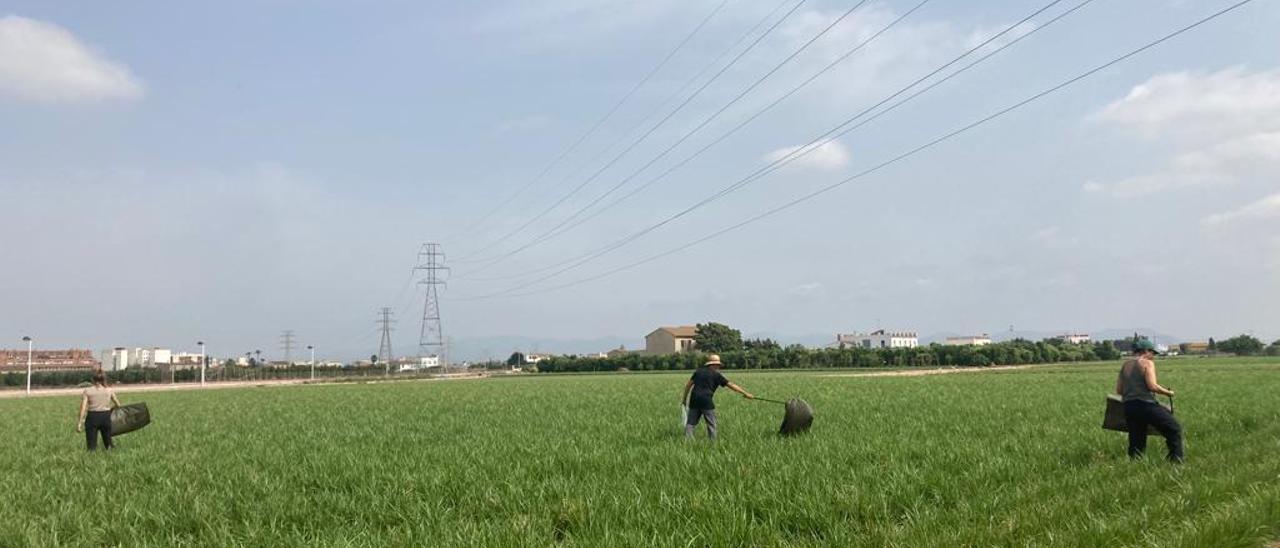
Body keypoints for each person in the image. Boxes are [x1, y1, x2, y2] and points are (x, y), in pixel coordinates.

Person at [1115, 339, 1182, 462]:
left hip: (1129, 407)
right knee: (1173, 429)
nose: (1153, 356)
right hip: (1146, 405)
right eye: (1153, 353)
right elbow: (1152, 386)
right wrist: (1169, 393)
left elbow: (1119, 390)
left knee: (1137, 438)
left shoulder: (1125, 365)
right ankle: (1176, 460)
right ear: (1146, 351)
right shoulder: (1147, 363)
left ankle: (1135, 464)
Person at [681, 354, 753, 440]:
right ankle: (712, 443)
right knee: (711, 423)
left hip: (694, 399)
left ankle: (688, 441)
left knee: (691, 423)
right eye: (718, 365)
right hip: (706, 400)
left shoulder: (698, 372)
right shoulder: (716, 375)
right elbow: (731, 385)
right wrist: (745, 393)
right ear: (714, 365)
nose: (718, 367)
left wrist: (684, 399)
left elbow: (688, 385)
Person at [77, 370, 122, 451]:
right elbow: (118, 405)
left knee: (91, 446)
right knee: (108, 444)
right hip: (106, 417)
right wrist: (111, 409)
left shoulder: (87, 391)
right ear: (104, 379)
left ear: (93, 379)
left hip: (92, 417)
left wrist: (79, 423)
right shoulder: (109, 390)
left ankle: (92, 460)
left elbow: (83, 408)